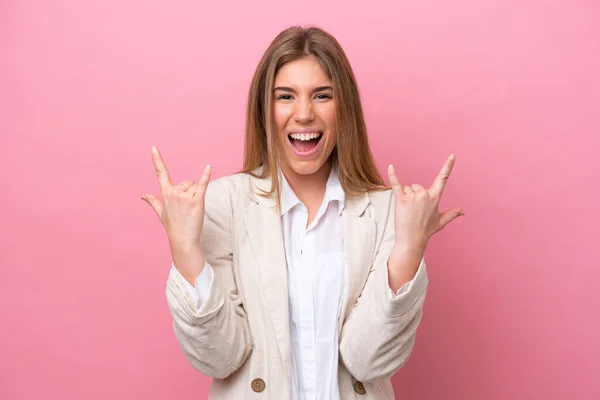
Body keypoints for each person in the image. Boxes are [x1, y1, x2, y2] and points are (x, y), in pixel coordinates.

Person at [141, 25, 464, 400]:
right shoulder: (221, 205)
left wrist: (408, 250)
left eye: (322, 95)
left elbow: (369, 362)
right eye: (285, 96)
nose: (304, 114)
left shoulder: (388, 210)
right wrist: (186, 251)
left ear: (344, 108)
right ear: (265, 109)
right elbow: (220, 358)